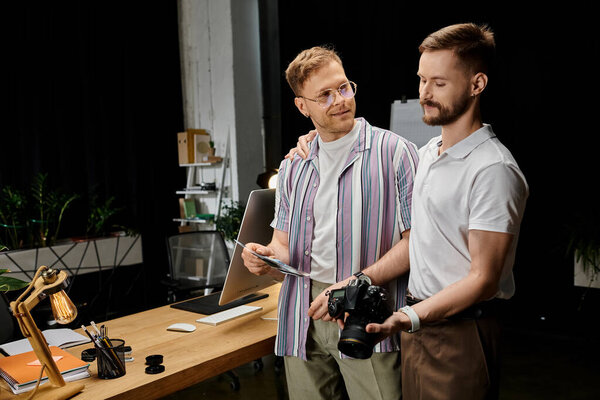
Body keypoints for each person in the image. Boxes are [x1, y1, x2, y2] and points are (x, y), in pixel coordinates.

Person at [241, 46, 418, 399]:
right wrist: (264, 255)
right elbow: (283, 245)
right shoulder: (294, 165)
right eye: (325, 95)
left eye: (343, 87)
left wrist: (352, 284)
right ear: (302, 106)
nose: (340, 100)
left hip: (365, 314)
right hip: (302, 314)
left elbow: (417, 243)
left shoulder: (395, 152)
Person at [363, 23, 529, 399]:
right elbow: (419, 241)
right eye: (422, 80)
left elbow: (483, 279)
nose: (424, 93)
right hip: (418, 328)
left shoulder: (493, 169)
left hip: (463, 334)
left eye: (439, 83)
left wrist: (408, 317)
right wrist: (363, 279)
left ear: (477, 84)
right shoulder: (426, 155)